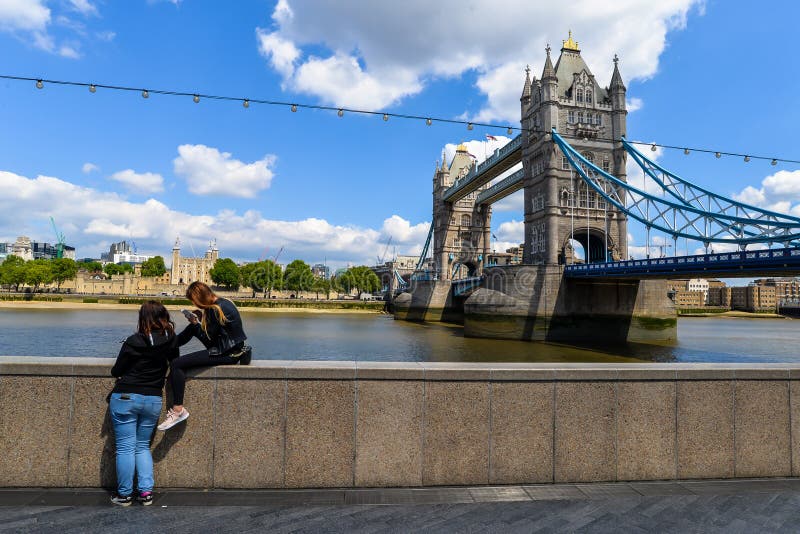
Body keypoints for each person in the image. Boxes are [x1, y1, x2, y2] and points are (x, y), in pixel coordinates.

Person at [108, 301, 195, 506]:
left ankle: (125, 495)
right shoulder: (170, 340)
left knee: (125, 448)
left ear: (143, 318)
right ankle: (146, 493)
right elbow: (175, 364)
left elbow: (117, 371)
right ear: (164, 316)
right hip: (153, 398)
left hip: (125, 397)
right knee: (142, 447)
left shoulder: (133, 341)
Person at [158, 281, 249, 431]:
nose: (195, 304)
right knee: (193, 328)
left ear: (199, 298)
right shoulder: (223, 302)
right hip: (233, 349)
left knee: (177, 364)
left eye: (194, 301)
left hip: (226, 353)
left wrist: (195, 323)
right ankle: (168, 345)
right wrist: (198, 320)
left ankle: (178, 410)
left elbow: (211, 340)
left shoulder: (215, 309)